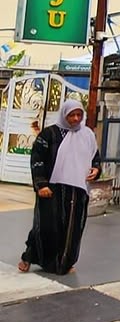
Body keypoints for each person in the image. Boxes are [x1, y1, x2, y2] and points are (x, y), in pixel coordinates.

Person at [18, 100, 100, 275]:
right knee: (46, 226)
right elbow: (37, 159)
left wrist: (96, 169)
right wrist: (41, 184)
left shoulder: (87, 135)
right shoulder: (49, 134)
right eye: (71, 115)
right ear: (64, 115)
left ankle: (64, 263)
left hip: (77, 190)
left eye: (79, 115)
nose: (76, 119)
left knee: (73, 228)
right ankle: (29, 255)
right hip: (52, 188)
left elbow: (95, 157)